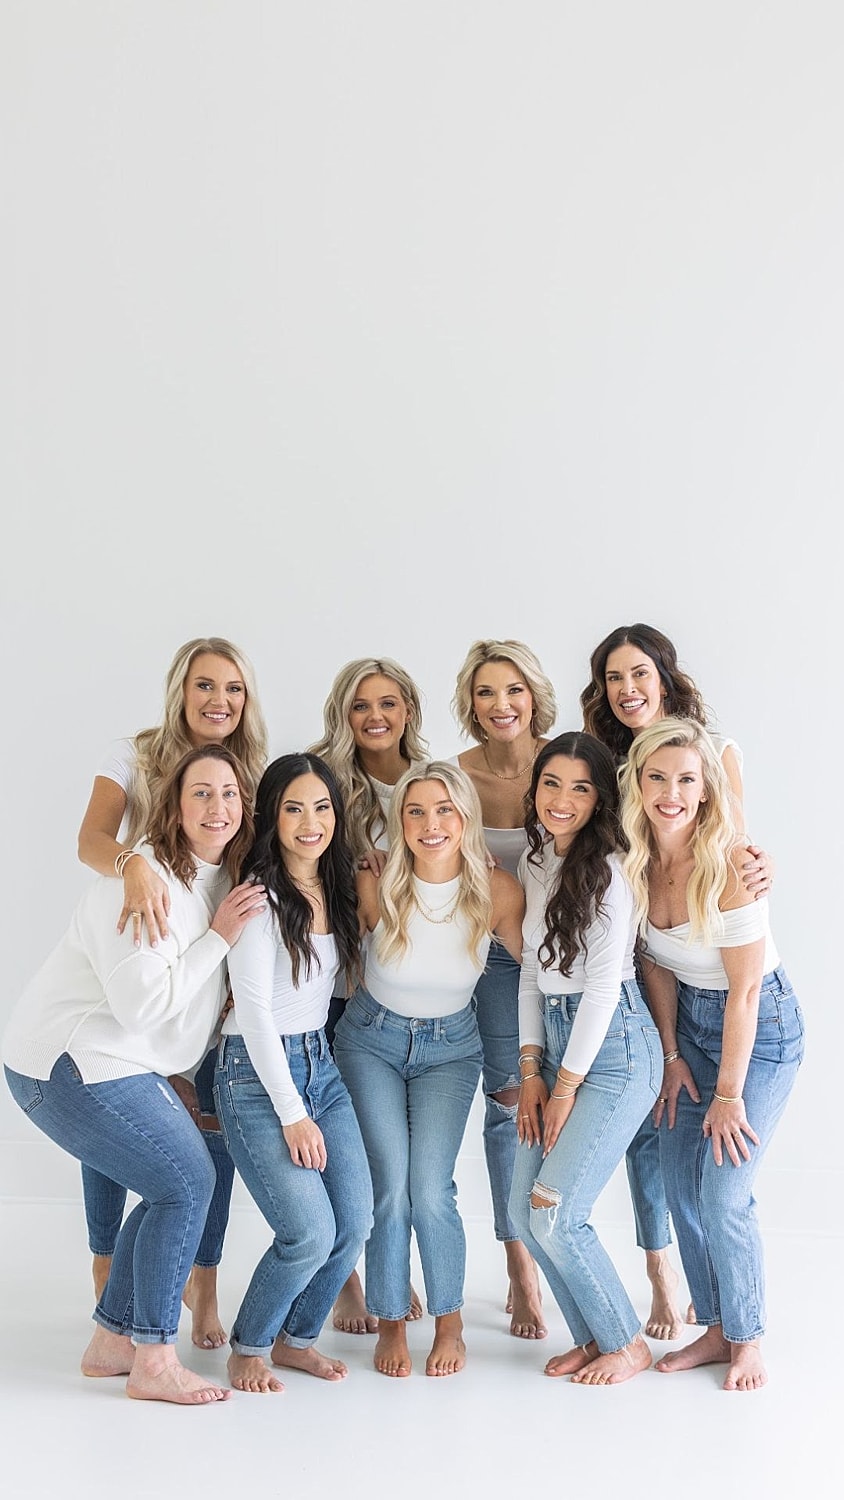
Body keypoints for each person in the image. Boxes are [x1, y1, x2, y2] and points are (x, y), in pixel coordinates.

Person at [3, 746, 266, 1405]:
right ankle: (154, 1359)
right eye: (200, 793)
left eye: (229, 793)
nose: (217, 807)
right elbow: (144, 1005)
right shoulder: (146, 880)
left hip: (120, 1058)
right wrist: (220, 940)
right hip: (67, 1060)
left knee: (172, 1181)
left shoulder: (212, 878)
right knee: (186, 1180)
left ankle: (111, 1341)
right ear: (173, 808)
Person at [580, 622, 772, 1339]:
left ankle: (731, 1320)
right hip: (648, 968)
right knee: (654, 1136)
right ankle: (664, 1273)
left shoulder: (712, 755)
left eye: (640, 674)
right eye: (613, 679)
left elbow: (736, 852)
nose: (627, 690)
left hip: (718, 964)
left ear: (664, 677)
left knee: (713, 1173)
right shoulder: (607, 765)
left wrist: (760, 872)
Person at [76, 634, 268, 1345]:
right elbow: (89, 839)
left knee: (207, 1133)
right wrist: (132, 865)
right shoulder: (134, 755)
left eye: (234, 689)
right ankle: (107, 1276)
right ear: (180, 690)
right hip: (141, 948)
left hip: (213, 963)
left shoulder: (250, 769)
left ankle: (204, 1286)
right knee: (112, 1118)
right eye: (205, 686)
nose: (219, 701)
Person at [619, 718, 803, 1390]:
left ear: (705, 790)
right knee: (677, 1183)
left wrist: (726, 1096)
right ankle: (717, 1326)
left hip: (759, 1030)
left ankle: (748, 1336)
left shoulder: (726, 863)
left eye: (686, 780)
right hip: (688, 1027)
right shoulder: (634, 859)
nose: (671, 792)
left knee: (723, 1191)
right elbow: (657, 966)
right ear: (637, 783)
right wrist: (670, 1054)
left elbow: (747, 993)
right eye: (658, 777)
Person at [333, 762, 524, 1377]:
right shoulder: (377, 880)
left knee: (430, 1191)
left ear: (465, 816)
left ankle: (450, 1323)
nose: (430, 823)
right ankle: (392, 1321)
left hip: (452, 1049)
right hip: (371, 1042)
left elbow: (542, 974)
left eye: (443, 809)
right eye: (415, 811)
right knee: (388, 1191)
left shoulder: (498, 891)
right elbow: (326, 955)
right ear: (400, 821)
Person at [215, 754, 373, 1394]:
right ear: (271, 818)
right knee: (308, 1233)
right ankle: (248, 1347)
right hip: (256, 1075)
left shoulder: (335, 886)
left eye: (323, 807)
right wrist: (292, 1113)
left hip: (320, 1065)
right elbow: (252, 1011)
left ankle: (296, 1339)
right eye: (294, 808)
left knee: (355, 1221)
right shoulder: (259, 896)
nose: (311, 823)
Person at [510, 733, 658, 1385]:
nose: (562, 799)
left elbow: (601, 986)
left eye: (580, 787)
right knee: (525, 1211)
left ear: (600, 799)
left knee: (556, 1208)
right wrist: (532, 1071)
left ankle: (627, 1341)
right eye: (551, 784)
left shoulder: (612, 868)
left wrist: (566, 1085)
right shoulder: (535, 858)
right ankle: (596, 1338)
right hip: (556, 1039)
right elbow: (529, 976)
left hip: (616, 1048)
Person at [309, 656, 429, 1333]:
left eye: (389, 703)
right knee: (343, 1138)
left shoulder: (431, 783)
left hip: (407, 986)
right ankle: (348, 1277)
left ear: (409, 709)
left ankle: (393, 1266)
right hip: (334, 985)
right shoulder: (324, 781)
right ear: (344, 715)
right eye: (361, 706)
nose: (376, 717)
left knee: (400, 1146)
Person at [450, 639, 557, 1338]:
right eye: (486, 693)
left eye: (512, 690)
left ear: (533, 694)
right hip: (492, 959)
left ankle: (645, 1260)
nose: (501, 706)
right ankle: (519, 1261)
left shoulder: (566, 766)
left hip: (563, 956)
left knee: (571, 1098)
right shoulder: (457, 775)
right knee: (509, 1105)